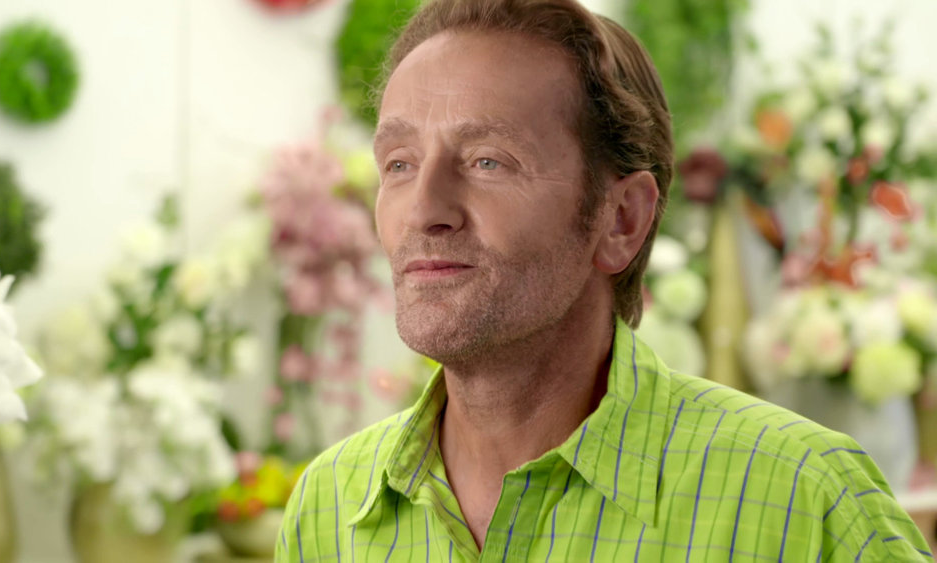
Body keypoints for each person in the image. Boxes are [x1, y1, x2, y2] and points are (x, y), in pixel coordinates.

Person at [275, 0, 932, 560]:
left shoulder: (807, 500)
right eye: (398, 163)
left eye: (487, 161)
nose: (423, 210)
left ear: (622, 219)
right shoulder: (328, 506)